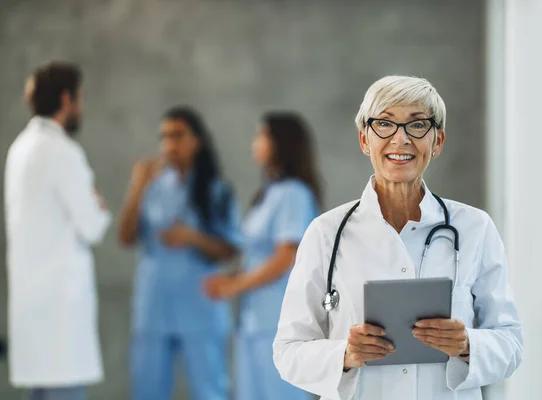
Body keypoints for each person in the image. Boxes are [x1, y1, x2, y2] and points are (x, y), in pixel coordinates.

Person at [272, 76, 523, 400]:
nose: (400, 139)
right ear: (365, 140)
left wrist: (467, 345)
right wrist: (344, 354)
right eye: (385, 124)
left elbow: (511, 343)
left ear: (438, 141)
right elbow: (288, 351)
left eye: (417, 125)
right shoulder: (326, 233)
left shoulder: (475, 228)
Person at [118, 106, 241, 400]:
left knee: (210, 391)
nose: (169, 144)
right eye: (164, 137)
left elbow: (231, 251)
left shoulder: (215, 190)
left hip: (199, 308)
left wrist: (193, 238)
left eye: (177, 135)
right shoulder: (153, 187)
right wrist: (137, 187)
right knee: (147, 391)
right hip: (154, 308)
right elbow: (125, 236)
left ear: (196, 141)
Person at [4, 62, 111, 400]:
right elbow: (92, 226)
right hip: (60, 314)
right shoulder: (63, 152)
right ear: (67, 99)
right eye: (79, 98)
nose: (80, 107)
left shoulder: (19, 150)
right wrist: (100, 207)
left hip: (30, 308)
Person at [204, 112, 321, 400]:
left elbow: (286, 257)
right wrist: (231, 278)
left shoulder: (293, 193)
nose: (255, 143)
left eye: (262, 136)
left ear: (282, 143)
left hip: (277, 321)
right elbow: (258, 254)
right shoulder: (271, 192)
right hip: (254, 320)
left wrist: (234, 286)